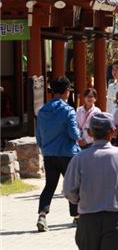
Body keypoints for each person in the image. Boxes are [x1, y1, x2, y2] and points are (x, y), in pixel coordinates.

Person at [63, 113, 118, 250]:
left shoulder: (79, 159)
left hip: (88, 219)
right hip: (115, 219)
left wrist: (82, 200)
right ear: (113, 131)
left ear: (89, 132)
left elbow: (69, 192)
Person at [35, 77, 81, 231]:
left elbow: (39, 135)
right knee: (72, 185)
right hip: (67, 153)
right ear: (66, 91)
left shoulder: (42, 110)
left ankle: (42, 215)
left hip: (49, 154)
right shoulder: (68, 110)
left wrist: (44, 148)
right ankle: (76, 216)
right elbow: (74, 134)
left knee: (49, 185)